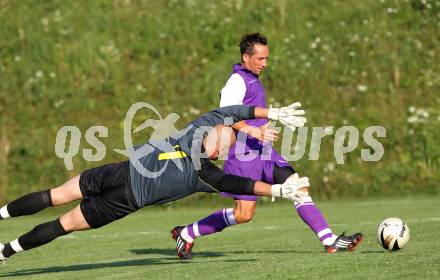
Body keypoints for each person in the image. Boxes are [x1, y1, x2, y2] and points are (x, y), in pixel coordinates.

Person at [0, 104, 310, 263]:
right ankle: (5, 251)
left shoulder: (198, 130)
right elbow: (237, 181)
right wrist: (279, 189)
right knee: (61, 222)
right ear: (216, 142)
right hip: (124, 197)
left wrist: (273, 114)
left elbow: (230, 118)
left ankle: (3, 230)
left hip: (118, 174)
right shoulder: (205, 171)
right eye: (225, 146)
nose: (224, 151)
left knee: (55, 201)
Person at [171, 33, 362, 259]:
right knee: (244, 215)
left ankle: (329, 240)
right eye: (260, 59)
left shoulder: (252, 78)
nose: (265, 64)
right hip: (243, 155)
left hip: (264, 152)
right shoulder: (237, 81)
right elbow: (223, 115)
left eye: (266, 58)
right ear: (245, 57)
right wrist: (253, 130)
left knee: (297, 187)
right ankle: (187, 232)